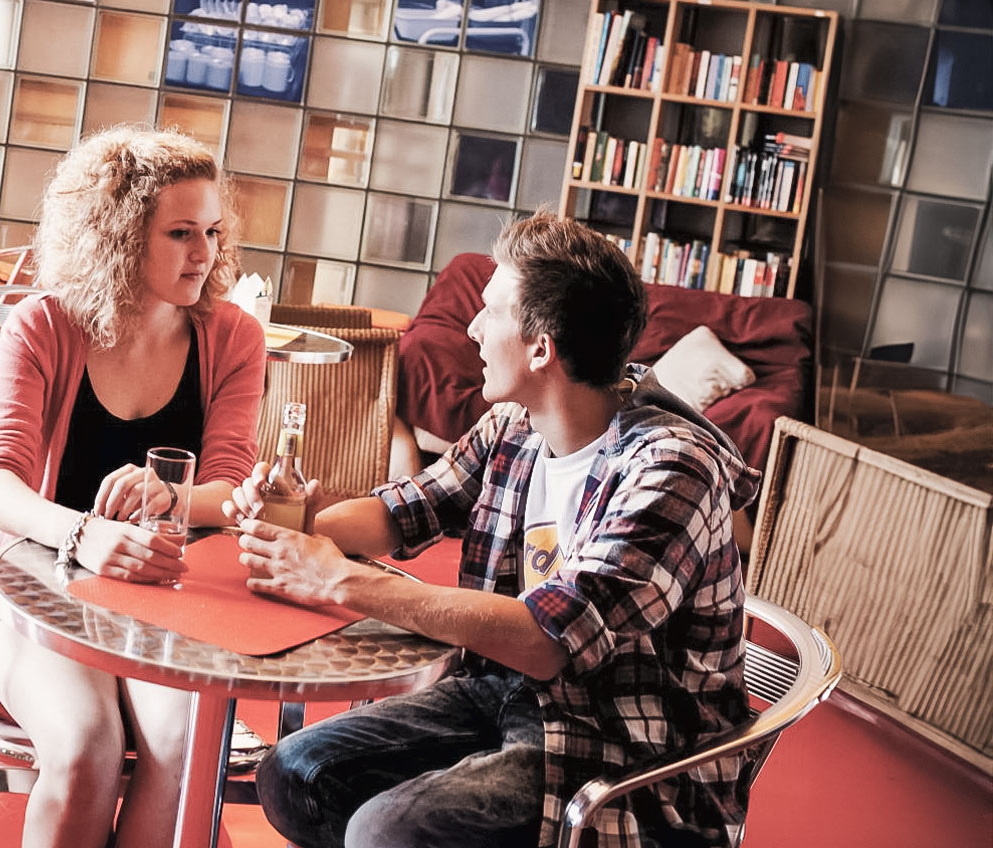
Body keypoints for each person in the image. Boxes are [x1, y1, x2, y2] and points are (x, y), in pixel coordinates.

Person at [234, 211, 761, 848]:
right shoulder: (517, 423)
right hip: (507, 693)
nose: (473, 329)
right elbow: (404, 510)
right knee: (293, 775)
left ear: (542, 348)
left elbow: (546, 639)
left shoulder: (673, 468)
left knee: (386, 833)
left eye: (492, 312)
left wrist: (338, 580)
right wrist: (298, 518)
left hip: (629, 752)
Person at [0, 125, 266, 847]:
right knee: (87, 745)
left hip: (166, 601)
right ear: (120, 235)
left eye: (214, 232)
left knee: (190, 748)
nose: (206, 254)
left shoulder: (232, 338)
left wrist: (170, 496)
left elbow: (230, 487)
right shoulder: (45, 325)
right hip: (35, 595)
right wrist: (83, 533)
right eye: (181, 233)